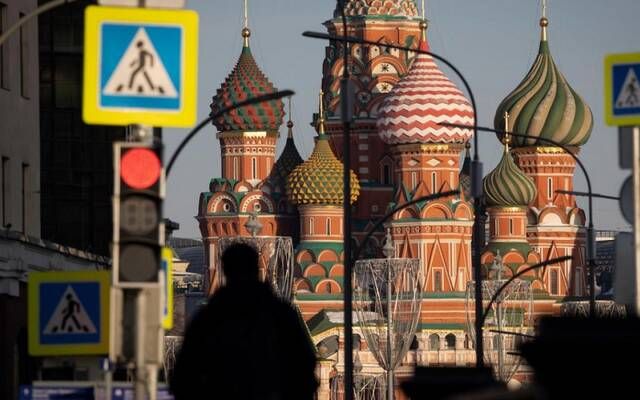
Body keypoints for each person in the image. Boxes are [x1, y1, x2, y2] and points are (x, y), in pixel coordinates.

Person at [170, 243, 318, 400]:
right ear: (255, 269)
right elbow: (304, 368)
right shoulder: (281, 314)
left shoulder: (209, 318)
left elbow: (184, 375)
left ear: (226, 271)